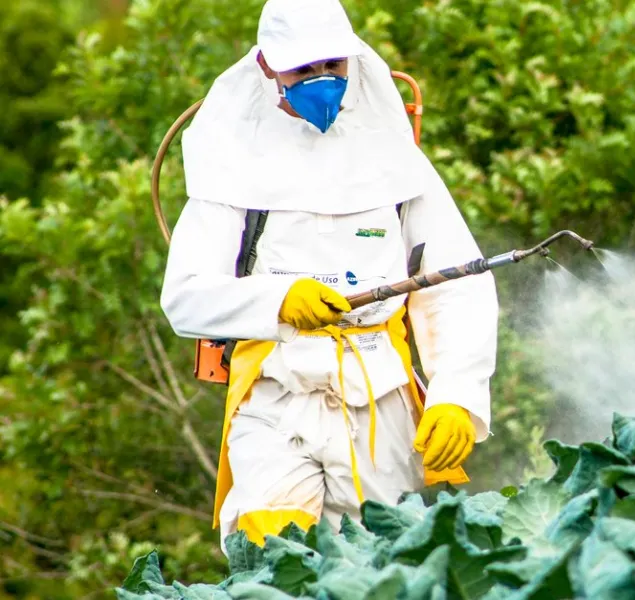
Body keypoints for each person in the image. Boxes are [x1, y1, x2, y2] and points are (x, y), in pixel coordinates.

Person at [159, 0, 498, 552]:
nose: (321, 81)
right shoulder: (233, 159)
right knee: (273, 556)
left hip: (380, 393)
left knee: (385, 563)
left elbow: (456, 283)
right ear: (268, 67)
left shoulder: (391, 154)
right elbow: (185, 298)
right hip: (276, 392)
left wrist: (456, 395)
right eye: (302, 70)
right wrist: (279, 300)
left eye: (331, 67)